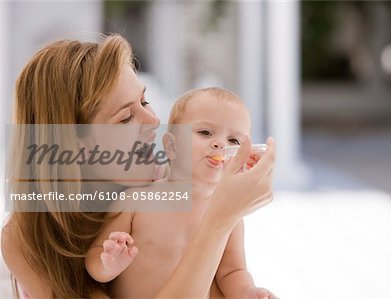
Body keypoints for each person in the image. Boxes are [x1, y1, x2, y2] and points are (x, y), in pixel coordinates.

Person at [1, 34, 275, 298]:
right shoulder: (26, 239)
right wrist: (220, 219)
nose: (153, 121)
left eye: (144, 101)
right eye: (125, 118)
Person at [85, 87, 277, 298]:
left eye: (234, 141)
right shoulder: (135, 201)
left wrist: (247, 292)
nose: (220, 144)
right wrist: (109, 263)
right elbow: (94, 262)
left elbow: (232, 272)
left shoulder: (229, 214)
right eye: (205, 132)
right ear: (171, 146)